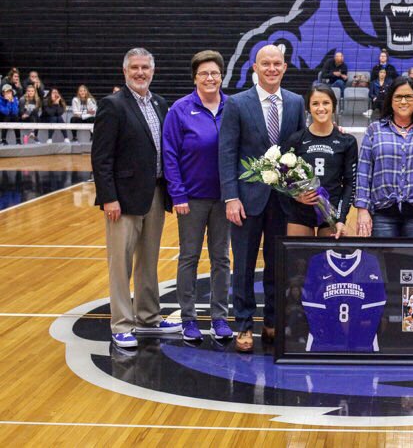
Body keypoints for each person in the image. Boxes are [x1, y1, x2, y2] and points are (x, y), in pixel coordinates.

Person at [91, 47, 181, 348]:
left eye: (145, 67)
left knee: (149, 260)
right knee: (120, 264)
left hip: (155, 193)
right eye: (135, 68)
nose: (140, 73)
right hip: (123, 199)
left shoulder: (160, 103)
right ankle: (121, 324)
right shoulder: (112, 105)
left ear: (152, 71)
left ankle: (148, 317)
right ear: (125, 71)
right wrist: (109, 197)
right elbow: (101, 157)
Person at [218, 44, 305, 353]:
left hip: (282, 200)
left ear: (284, 67)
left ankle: (271, 321)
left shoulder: (296, 102)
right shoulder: (237, 104)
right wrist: (231, 197)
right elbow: (227, 152)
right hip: (246, 200)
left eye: (277, 63)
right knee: (243, 266)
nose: (271, 68)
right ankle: (243, 324)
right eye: (265, 63)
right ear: (255, 68)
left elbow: (300, 149)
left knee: (277, 264)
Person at [162, 50, 233, 342]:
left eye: (214, 73)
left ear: (221, 76)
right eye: (204, 73)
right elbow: (169, 154)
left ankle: (220, 318)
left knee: (221, 259)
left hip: (225, 199)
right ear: (195, 78)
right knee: (189, 258)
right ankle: (188, 319)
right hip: (191, 200)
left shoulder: (233, 107)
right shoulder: (180, 110)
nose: (210, 78)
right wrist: (177, 194)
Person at [355, 76, 413, 238]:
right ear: (390, 100)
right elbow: (363, 172)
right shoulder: (375, 130)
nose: (403, 101)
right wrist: (362, 209)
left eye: (409, 96)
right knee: (382, 256)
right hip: (382, 215)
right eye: (398, 97)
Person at [284, 83, 357, 238]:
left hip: (331, 212)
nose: (321, 108)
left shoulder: (347, 141)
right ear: (308, 108)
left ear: (334, 106)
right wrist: (296, 195)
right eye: (315, 103)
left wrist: (341, 218)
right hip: (301, 211)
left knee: (329, 254)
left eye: (326, 103)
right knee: (297, 254)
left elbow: (350, 183)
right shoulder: (296, 139)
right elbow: (284, 177)